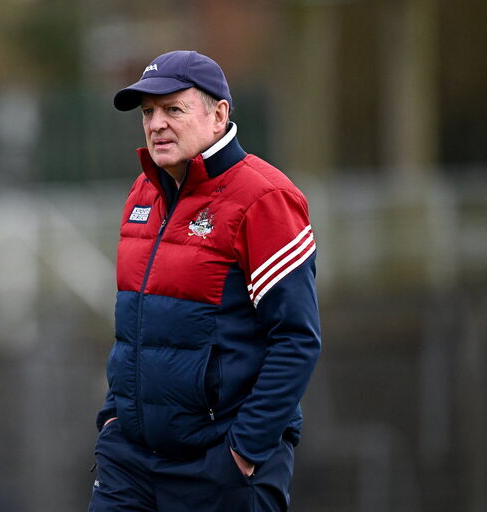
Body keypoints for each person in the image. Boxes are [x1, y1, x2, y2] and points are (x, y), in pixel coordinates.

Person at [89, 50, 322, 512]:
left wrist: (243, 452)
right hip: (130, 464)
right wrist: (113, 420)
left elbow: (296, 338)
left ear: (219, 115)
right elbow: (136, 325)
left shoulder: (265, 198)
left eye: (173, 109)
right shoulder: (144, 191)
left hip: (220, 466)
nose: (156, 124)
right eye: (148, 112)